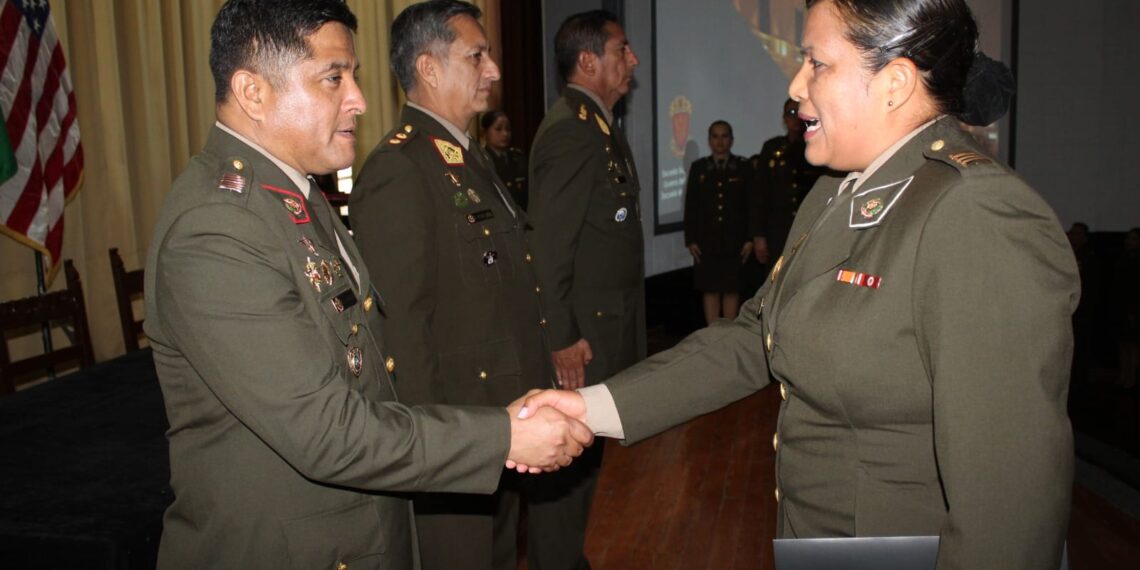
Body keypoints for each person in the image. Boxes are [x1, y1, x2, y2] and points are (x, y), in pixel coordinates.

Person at [516, 0, 1077, 568]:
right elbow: (753, 338)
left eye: (817, 64)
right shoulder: (836, 192)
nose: (795, 86)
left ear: (895, 83)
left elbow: (1009, 515)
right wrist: (589, 407)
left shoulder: (977, 214)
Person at [143, 1, 591, 568]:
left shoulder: (294, 197)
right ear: (253, 93)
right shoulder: (216, 228)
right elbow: (326, 431)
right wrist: (500, 436)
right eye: (334, 78)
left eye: (352, 75)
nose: (359, 99)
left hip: (359, 530)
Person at [348, 2, 553, 569]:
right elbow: (403, 335)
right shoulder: (400, 168)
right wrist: (433, 452)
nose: (492, 70)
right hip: (456, 441)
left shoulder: (468, 157)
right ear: (429, 69)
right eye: (476, 56)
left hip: (499, 423)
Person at [526, 10, 644, 569]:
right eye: (623, 49)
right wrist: (563, 338)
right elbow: (550, 250)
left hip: (602, 330)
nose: (633, 60)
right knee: (566, 471)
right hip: (583, 343)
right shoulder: (573, 131)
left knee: (583, 469)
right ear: (589, 60)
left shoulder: (595, 125)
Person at [683, 120, 754, 324]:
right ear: (709, 140)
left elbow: (751, 205)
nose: (720, 141)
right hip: (707, 242)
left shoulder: (743, 166)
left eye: (724, 136)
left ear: (731, 140)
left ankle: (727, 338)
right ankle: (711, 337)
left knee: (732, 290)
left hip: (735, 242)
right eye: (715, 136)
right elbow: (691, 206)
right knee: (710, 290)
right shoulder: (699, 168)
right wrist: (691, 239)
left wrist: (750, 237)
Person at [749, 98, 825, 270]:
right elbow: (760, 194)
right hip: (777, 229)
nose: (795, 118)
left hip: (810, 226)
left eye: (800, 113)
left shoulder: (817, 145)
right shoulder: (771, 148)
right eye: (791, 113)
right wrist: (758, 235)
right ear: (784, 118)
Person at [482, 110, 530, 210]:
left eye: (508, 129)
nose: (505, 134)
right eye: (498, 129)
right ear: (485, 132)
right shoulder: (481, 160)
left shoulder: (519, 158)